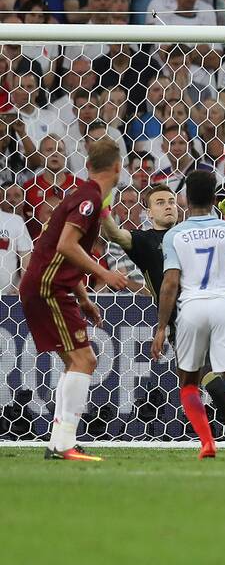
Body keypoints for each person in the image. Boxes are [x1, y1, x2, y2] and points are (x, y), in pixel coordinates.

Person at [19, 138, 130, 461]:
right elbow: (67, 245)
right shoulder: (89, 199)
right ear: (118, 167)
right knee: (85, 361)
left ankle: (59, 442)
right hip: (47, 286)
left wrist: (83, 296)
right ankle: (64, 442)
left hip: (50, 285)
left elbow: (62, 250)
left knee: (75, 362)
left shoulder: (85, 195)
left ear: (88, 166)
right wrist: (105, 274)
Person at [152, 171, 225, 460]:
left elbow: (170, 283)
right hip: (224, 306)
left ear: (185, 200)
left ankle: (207, 442)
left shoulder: (175, 234)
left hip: (190, 309)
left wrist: (162, 327)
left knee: (188, 383)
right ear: (215, 199)